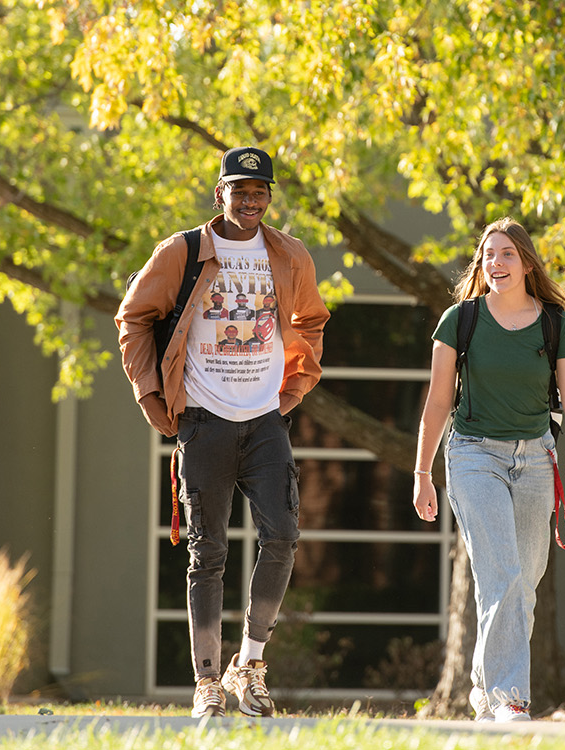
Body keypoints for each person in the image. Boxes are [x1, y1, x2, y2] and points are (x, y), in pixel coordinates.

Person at [116, 146, 329, 718]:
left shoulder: (289, 255)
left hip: (264, 420)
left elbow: (311, 320)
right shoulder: (182, 251)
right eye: (240, 190)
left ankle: (251, 664)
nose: (250, 200)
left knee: (282, 535)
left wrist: (292, 388)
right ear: (220, 195)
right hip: (204, 420)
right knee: (206, 553)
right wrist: (149, 393)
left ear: (269, 198)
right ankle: (207, 681)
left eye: (260, 191)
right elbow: (133, 317)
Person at [411, 218, 565, 722]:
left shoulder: (554, 322)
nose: (496, 262)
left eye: (508, 253)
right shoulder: (459, 320)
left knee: (524, 584)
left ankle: (481, 683)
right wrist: (422, 473)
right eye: (489, 254)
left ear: (527, 262)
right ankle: (510, 697)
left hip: (536, 457)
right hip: (473, 455)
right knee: (503, 576)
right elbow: (437, 402)